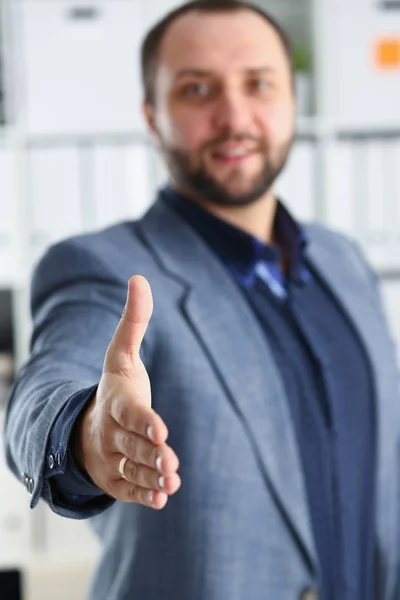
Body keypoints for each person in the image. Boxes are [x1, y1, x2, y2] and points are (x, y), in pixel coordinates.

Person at [4, 1, 400, 598]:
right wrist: (86, 435)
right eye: (196, 89)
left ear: (293, 99)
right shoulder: (104, 268)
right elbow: (43, 389)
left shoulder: (343, 261)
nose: (234, 116)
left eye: (259, 84)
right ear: (152, 115)